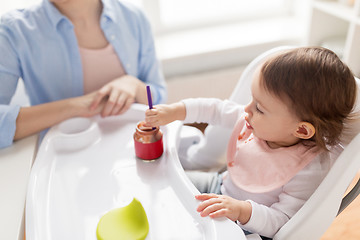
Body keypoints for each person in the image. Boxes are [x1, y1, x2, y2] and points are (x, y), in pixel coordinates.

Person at [144, 47, 358, 238]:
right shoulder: (255, 119)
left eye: (260, 108)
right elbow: (216, 109)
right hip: (217, 185)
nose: (246, 109)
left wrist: (242, 210)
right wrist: (176, 111)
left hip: (245, 227)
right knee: (162, 181)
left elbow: (283, 221)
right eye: (252, 99)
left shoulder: (308, 169)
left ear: (302, 129)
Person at [0, 0, 167, 149]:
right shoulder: (13, 31)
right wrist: (80, 106)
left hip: (136, 152)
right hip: (64, 164)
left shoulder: (133, 17)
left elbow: (160, 100)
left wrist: (135, 86)